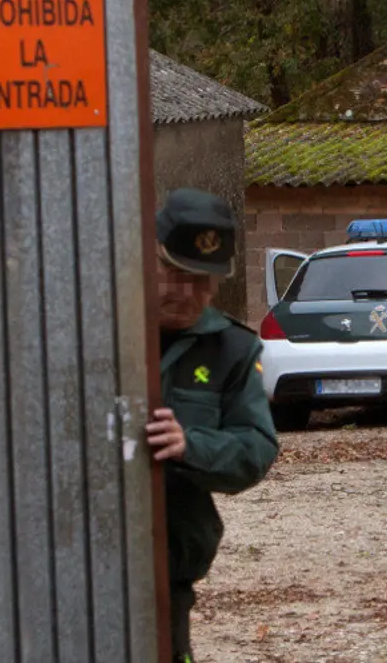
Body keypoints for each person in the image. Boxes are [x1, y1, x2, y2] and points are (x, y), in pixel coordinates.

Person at [143, 187, 281, 663]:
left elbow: (256, 448)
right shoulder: (92, 329)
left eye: (204, 282)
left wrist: (190, 447)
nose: (189, 294)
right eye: (178, 274)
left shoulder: (232, 350)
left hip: (167, 572)